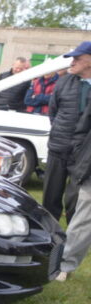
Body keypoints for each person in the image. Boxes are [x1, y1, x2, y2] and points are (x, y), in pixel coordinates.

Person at [47, 44, 91, 232]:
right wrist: (60, 134)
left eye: (77, 58)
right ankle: (48, 236)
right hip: (58, 148)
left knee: (75, 200)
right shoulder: (63, 82)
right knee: (50, 198)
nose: (72, 62)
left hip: (83, 156)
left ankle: (72, 239)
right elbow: (53, 112)